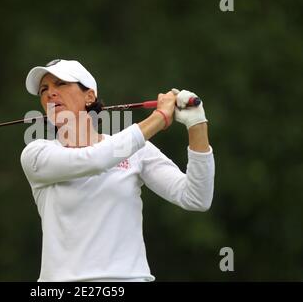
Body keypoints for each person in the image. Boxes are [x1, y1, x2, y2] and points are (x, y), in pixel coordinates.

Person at [20, 59, 215, 282]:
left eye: (61, 84)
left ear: (89, 96)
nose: (50, 94)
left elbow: (196, 198)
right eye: (44, 90)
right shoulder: (36, 154)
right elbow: (94, 160)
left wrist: (197, 124)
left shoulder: (136, 151)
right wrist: (159, 118)